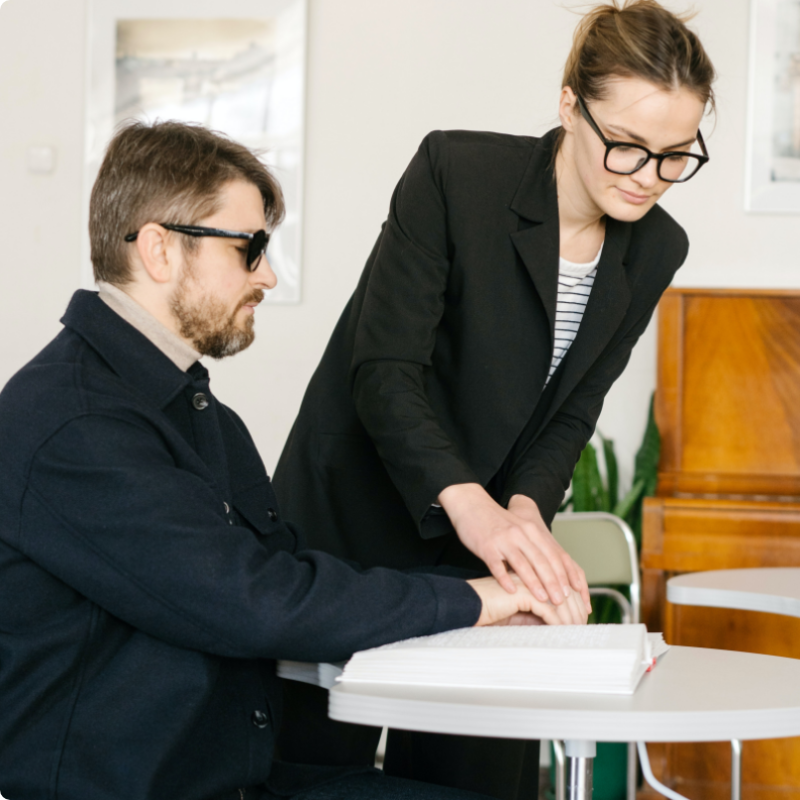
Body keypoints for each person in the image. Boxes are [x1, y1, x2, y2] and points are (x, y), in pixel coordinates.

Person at [0, 120, 587, 800]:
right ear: (159, 249)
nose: (269, 276)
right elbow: (255, 600)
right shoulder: (74, 426)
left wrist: (483, 606)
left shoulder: (199, 416)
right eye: (250, 249)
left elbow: (284, 579)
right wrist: (477, 599)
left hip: (238, 777)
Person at [273, 1, 716, 798]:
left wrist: (523, 517)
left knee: (474, 774)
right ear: (569, 106)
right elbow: (384, 371)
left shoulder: (657, 246)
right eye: (626, 146)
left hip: (483, 549)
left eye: (675, 155)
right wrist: (475, 507)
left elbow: (575, 410)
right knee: (314, 773)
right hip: (353, 520)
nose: (648, 177)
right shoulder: (456, 174)